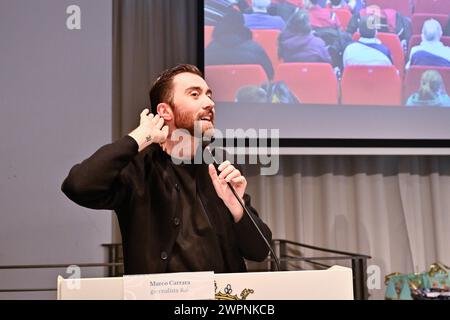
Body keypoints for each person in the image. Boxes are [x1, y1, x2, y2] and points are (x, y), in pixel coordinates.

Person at [61, 64, 272, 275]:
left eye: (209, 95)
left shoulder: (219, 165)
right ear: (165, 111)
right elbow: (78, 185)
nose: (209, 103)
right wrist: (139, 136)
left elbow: (259, 251)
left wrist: (237, 209)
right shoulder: (139, 169)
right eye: (195, 95)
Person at [205, 10, 274, 79]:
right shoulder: (255, 50)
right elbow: (270, 74)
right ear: (242, 26)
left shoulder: (208, 50)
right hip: (249, 88)